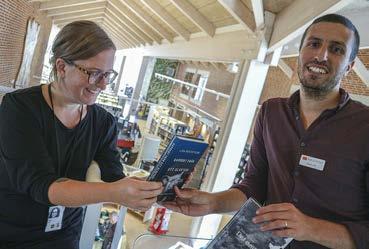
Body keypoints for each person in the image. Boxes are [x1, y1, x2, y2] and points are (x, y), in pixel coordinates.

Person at [164, 14, 369, 249]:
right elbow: (255, 186)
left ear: (350, 67)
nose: (321, 55)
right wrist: (212, 203)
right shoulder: (271, 112)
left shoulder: (364, 128)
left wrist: (308, 227)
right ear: (300, 53)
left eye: (336, 49)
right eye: (314, 44)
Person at [0, 21, 163, 249]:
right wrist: (114, 192)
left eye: (108, 75)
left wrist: (153, 188)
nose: (103, 84)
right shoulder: (19, 108)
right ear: (61, 67)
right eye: (94, 73)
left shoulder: (103, 122)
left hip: (65, 236)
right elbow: (41, 185)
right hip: (12, 234)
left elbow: (113, 176)